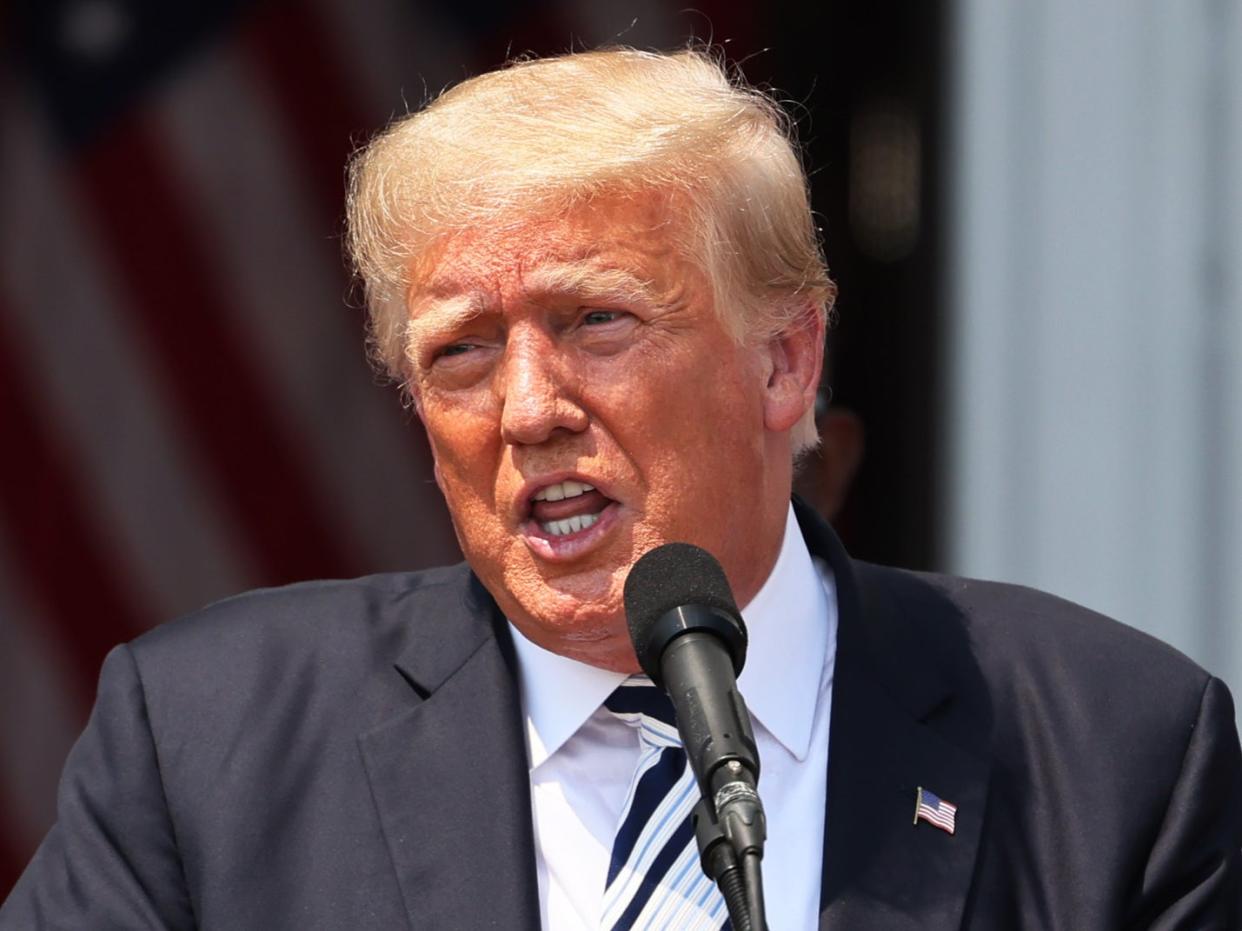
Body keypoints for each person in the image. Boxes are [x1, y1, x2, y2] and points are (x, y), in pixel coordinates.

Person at [3, 47, 1240, 930]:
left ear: (785, 358)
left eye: (596, 320)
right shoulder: (205, 743)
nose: (529, 407)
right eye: (463, 351)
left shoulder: (1112, 748)